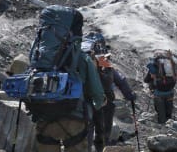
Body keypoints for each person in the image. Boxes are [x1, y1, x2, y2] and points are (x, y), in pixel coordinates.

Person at [33, 8, 106, 152]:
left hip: (43, 116)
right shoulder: (82, 58)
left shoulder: (39, 56)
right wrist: (95, 107)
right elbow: (97, 93)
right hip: (74, 117)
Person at [91, 53, 136, 152]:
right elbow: (121, 81)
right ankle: (102, 147)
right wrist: (130, 95)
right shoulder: (105, 64)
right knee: (103, 130)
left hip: (85, 102)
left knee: (88, 128)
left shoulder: (82, 60)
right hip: (105, 102)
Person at [143, 51, 177, 124]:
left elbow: (146, 80)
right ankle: (170, 129)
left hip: (158, 94)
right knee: (169, 112)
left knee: (161, 114)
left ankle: (163, 128)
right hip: (170, 92)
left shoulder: (154, 67)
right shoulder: (169, 66)